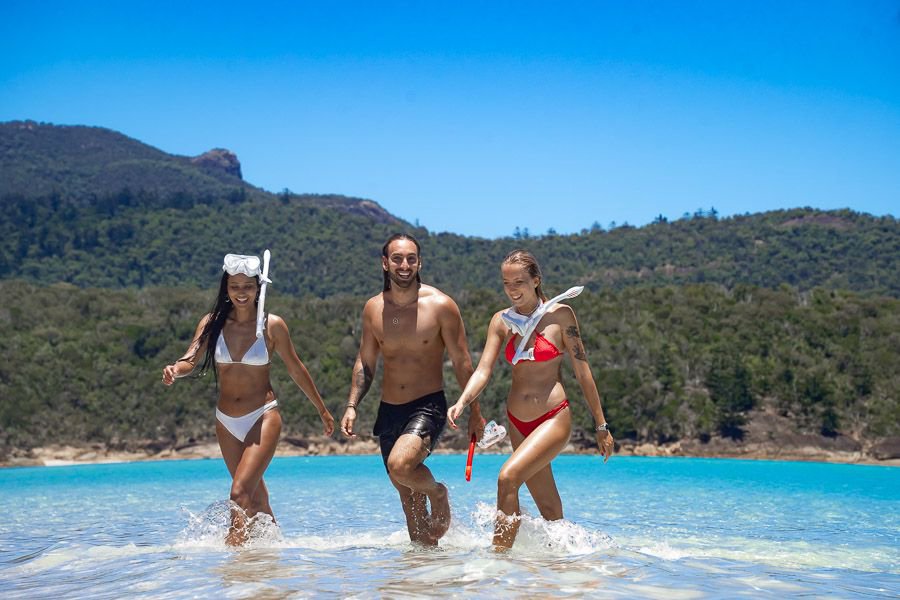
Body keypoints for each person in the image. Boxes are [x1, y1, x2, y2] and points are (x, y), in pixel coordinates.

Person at [162, 253, 334, 545]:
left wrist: (322, 410)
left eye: (248, 287)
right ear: (225, 289)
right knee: (255, 502)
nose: (241, 293)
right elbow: (190, 359)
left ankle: (233, 566)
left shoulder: (273, 325)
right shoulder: (212, 322)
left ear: (258, 288)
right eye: (234, 287)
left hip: (263, 416)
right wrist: (174, 371)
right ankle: (275, 561)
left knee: (239, 493)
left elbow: (296, 369)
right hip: (225, 421)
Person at [447, 249, 614, 550]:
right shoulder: (500, 321)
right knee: (549, 509)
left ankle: (498, 561)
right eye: (506, 283)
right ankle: (561, 569)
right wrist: (462, 401)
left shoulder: (561, 315)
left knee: (507, 478)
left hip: (553, 417)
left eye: (519, 282)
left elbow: (583, 371)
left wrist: (601, 425)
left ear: (536, 281)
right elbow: (483, 370)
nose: (512, 290)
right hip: (517, 422)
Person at [340, 233, 483, 546]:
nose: (404, 265)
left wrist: (475, 412)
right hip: (388, 411)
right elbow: (365, 362)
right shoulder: (373, 309)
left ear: (420, 262)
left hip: (428, 406)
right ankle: (421, 581)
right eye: (397, 258)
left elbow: (463, 363)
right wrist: (352, 404)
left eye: (411, 259)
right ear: (385, 263)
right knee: (413, 513)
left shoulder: (441, 305)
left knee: (401, 465)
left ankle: (439, 492)